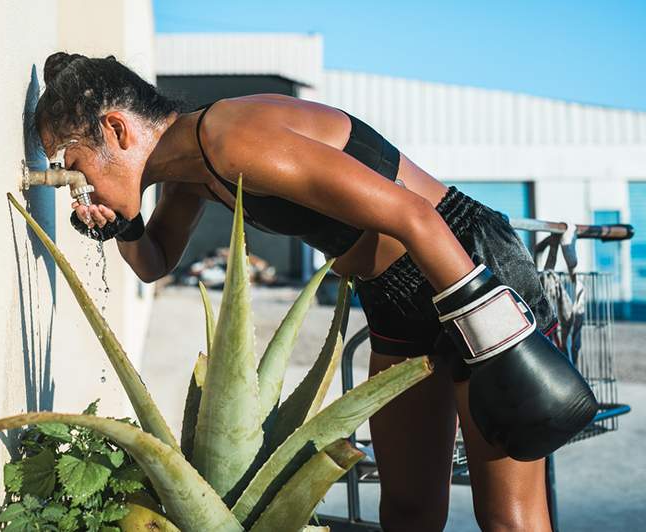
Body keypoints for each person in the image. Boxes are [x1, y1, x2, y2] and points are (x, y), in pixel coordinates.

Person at [35, 52, 597, 531]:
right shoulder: (190, 170)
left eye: (75, 163)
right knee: (408, 512)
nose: (74, 180)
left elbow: (415, 217)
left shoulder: (229, 138)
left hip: (462, 264)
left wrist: (503, 342)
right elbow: (153, 263)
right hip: (396, 297)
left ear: (116, 130)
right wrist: (122, 225)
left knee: (507, 519)